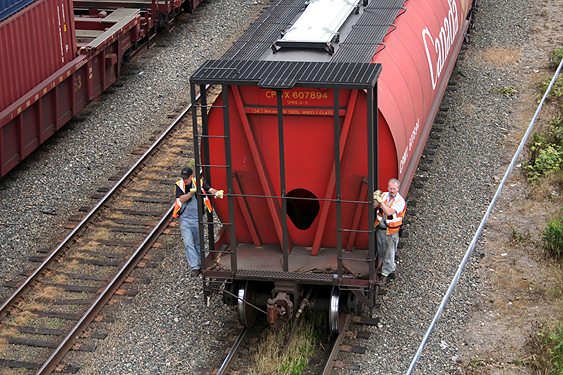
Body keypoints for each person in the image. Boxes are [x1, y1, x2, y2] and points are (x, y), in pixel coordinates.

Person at [173, 167, 223, 277]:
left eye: (187, 178)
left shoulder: (199, 182)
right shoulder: (179, 185)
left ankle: (201, 264)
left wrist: (217, 193)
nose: (185, 180)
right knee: (188, 243)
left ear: (192, 176)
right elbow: (181, 199)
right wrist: (190, 194)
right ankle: (194, 267)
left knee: (198, 242)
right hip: (185, 219)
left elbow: (210, 189)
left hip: (197, 219)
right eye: (183, 178)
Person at [373, 178, 406, 283]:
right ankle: (382, 269)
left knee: (389, 253)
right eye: (390, 188)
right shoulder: (384, 195)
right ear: (388, 187)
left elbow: (388, 212)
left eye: (394, 189)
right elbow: (373, 207)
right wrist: (374, 199)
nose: (392, 190)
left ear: (398, 189)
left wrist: (381, 202)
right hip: (381, 229)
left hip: (391, 231)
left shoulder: (400, 201)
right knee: (381, 251)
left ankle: (386, 273)